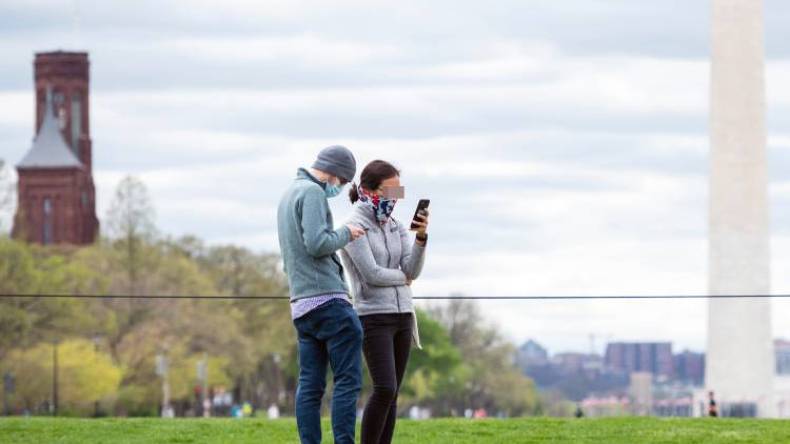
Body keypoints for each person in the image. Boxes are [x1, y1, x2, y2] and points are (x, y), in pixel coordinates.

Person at [277, 145, 366, 444]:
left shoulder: (289, 193)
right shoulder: (313, 192)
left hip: (302, 304)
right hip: (329, 300)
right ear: (335, 173)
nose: (340, 188)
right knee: (347, 381)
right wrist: (347, 233)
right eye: (343, 181)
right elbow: (316, 244)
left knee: (310, 386)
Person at [339, 160, 429, 444]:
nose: (394, 199)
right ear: (368, 190)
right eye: (389, 191)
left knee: (393, 394)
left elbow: (412, 269)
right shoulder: (353, 227)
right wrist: (403, 278)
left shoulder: (396, 226)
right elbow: (372, 274)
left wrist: (421, 239)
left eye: (397, 192)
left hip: (403, 316)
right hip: (373, 316)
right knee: (385, 388)